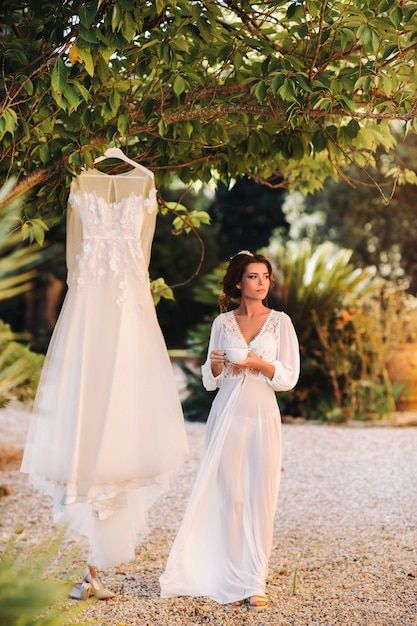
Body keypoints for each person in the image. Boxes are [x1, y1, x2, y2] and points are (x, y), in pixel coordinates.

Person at [21, 158, 189, 598]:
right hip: (97, 311)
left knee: (121, 405)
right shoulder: (84, 181)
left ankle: (95, 565)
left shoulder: (146, 181)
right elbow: (116, 257)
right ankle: (91, 565)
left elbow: (97, 257)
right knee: (91, 402)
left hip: (118, 312)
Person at [160, 250, 300, 609]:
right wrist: (217, 364)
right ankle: (230, 578)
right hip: (226, 416)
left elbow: (288, 377)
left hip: (262, 416)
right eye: (254, 277)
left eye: (265, 276)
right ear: (238, 282)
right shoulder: (221, 324)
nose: (262, 282)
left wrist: (259, 364)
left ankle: (255, 582)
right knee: (231, 497)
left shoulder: (280, 321)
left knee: (260, 496)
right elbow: (211, 381)